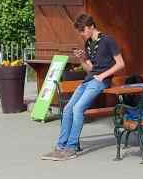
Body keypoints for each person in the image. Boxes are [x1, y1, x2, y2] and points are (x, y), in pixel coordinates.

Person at [42, 14, 124, 161]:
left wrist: (102, 76)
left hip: (100, 81)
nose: (81, 33)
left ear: (91, 26)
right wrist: (82, 59)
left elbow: (121, 64)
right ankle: (60, 146)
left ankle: (71, 148)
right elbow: (90, 69)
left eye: (83, 30)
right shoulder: (88, 43)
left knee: (78, 108)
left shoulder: (108, 40)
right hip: (88, 80)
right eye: (79, 31)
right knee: (68, 109)